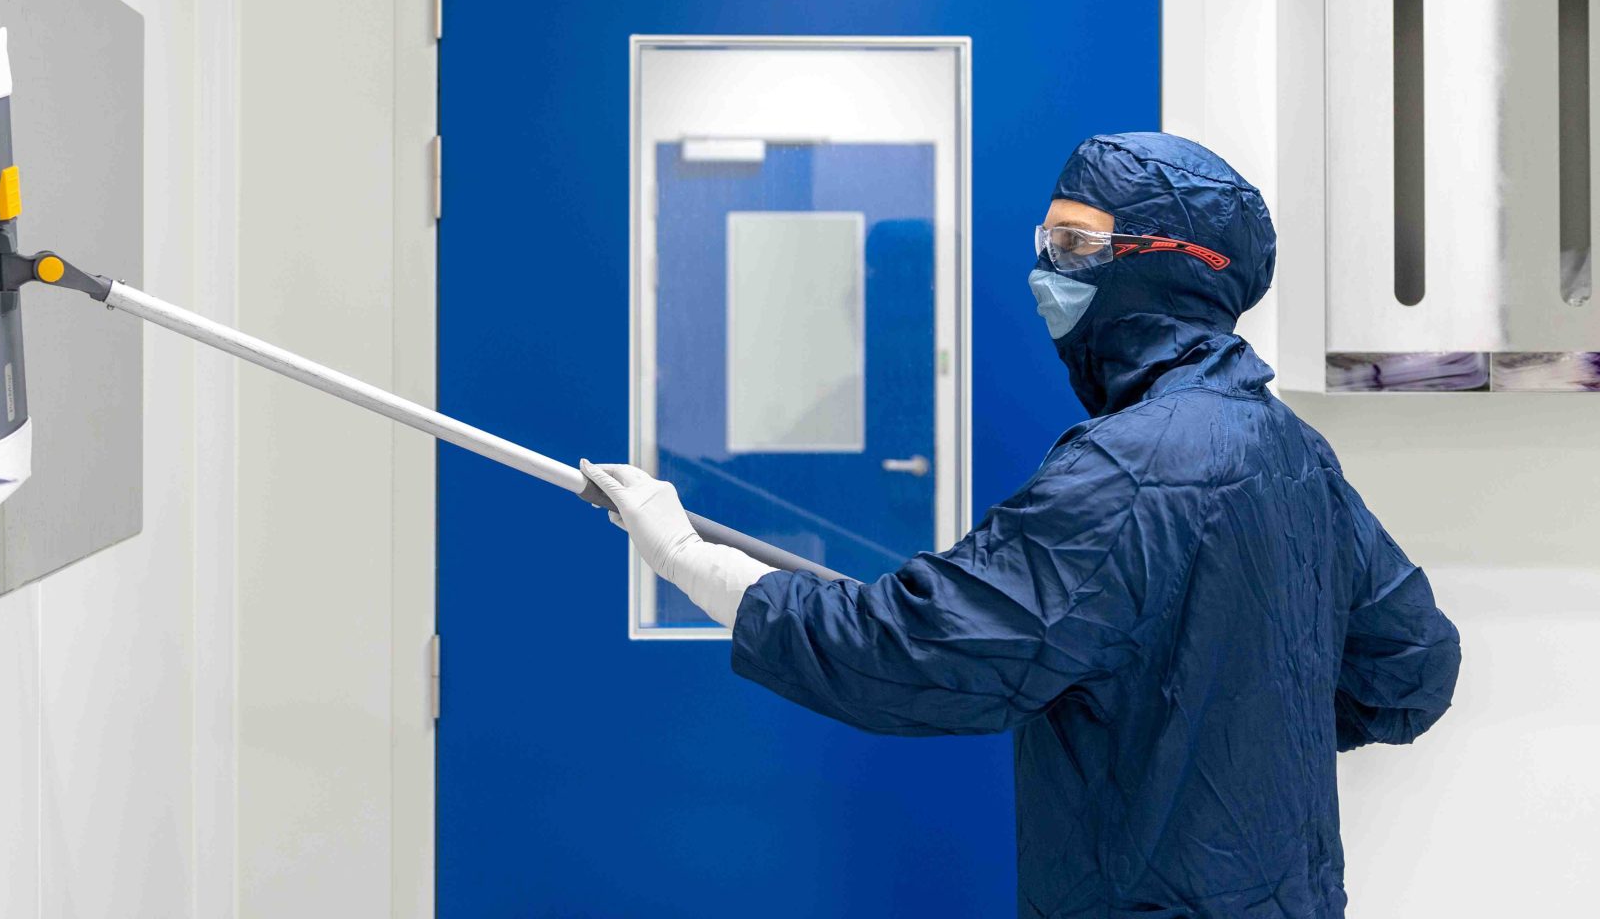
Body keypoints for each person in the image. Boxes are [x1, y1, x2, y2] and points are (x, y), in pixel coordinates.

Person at [581, 132, 1460, 919]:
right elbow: (1412, 663)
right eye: (1048, 242)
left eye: (1078, 245)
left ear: (1178, 265)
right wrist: (1238, 723)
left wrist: (691, 561)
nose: (1048, 267)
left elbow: (912, 650)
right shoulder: (1288, 448)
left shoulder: (1128, 470)